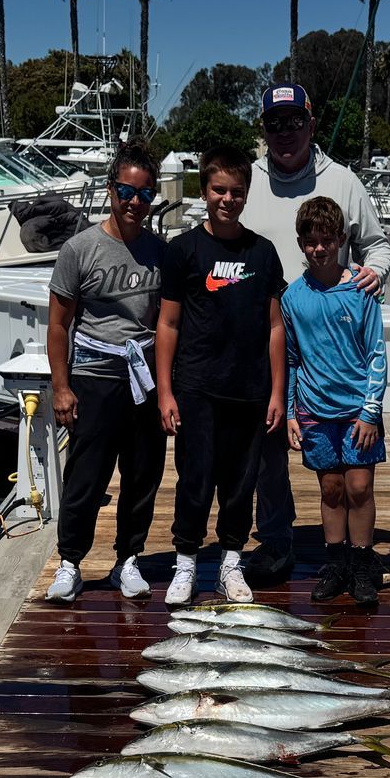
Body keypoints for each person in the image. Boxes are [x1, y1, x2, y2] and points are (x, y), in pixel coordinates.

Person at [239, 83, 390, 584]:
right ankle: (277, 541)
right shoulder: (247, 180)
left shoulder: (344, 180)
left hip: (328, 333)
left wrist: (376, 273)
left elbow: (378, 246)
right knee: (268, 449)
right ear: (264, 129)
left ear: (311, 123)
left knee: (348, 480)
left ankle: (355, 559)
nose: (285, 133)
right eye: (275, 124)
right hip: (264, 331)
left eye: (294, 122)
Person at [155, 144, 286, 606]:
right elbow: (167, 324)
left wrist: (277, 393)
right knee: (195, 479)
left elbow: (274, 326)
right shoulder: (183, 250)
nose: (227, 199)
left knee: (240, 484)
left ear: (247, 195)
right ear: (204, 190)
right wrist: (165, 391)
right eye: (218, 190)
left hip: (249, 392)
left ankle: (231, 562)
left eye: (236, 191)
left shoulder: (264, 253)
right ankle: (186, 563)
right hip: (196, 389)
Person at [44, 140, 167, 604]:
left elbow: (168, 322)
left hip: (145, 379)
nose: (134, 202)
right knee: (86, 476)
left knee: (142, 474)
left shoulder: (161, 252)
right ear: (111, 189)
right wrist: (61, 387)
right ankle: (70, 562)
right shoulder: (80, 249)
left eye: (144, 194)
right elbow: (58, 324)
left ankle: (128, 559)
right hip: (94, 377)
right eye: (126, 191)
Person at [284, 196, 387, 608]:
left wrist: (371, 411)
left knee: (359, 486)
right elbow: (291, 358)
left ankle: (362, 565)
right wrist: (291, 411)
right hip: (313, 410)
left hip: (357, 411)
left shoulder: (361, 289)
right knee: (330, 488)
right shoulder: (292, 297)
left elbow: (377, 353)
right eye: (312, 242)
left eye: (328, 240)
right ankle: (336, 563)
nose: (320, 249)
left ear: (342, 240)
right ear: (301, 244)